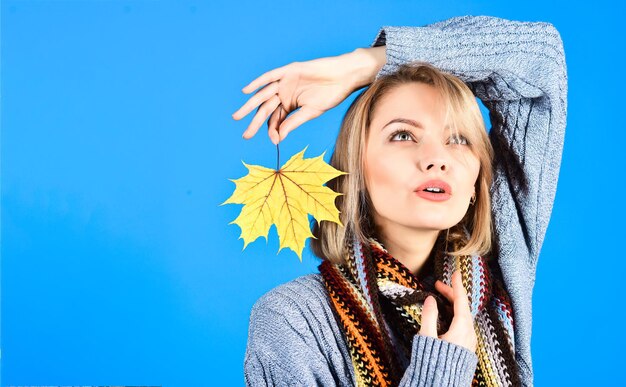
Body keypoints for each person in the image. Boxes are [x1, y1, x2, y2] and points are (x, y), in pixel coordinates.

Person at [233, 15, 567, 387]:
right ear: (356, 168)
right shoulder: (294, 320)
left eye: (458, 139)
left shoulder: (501, 275)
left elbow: (541, 58)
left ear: (476, 183)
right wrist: (440, 370)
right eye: (404, 135)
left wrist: (365, 64)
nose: (436, 158)